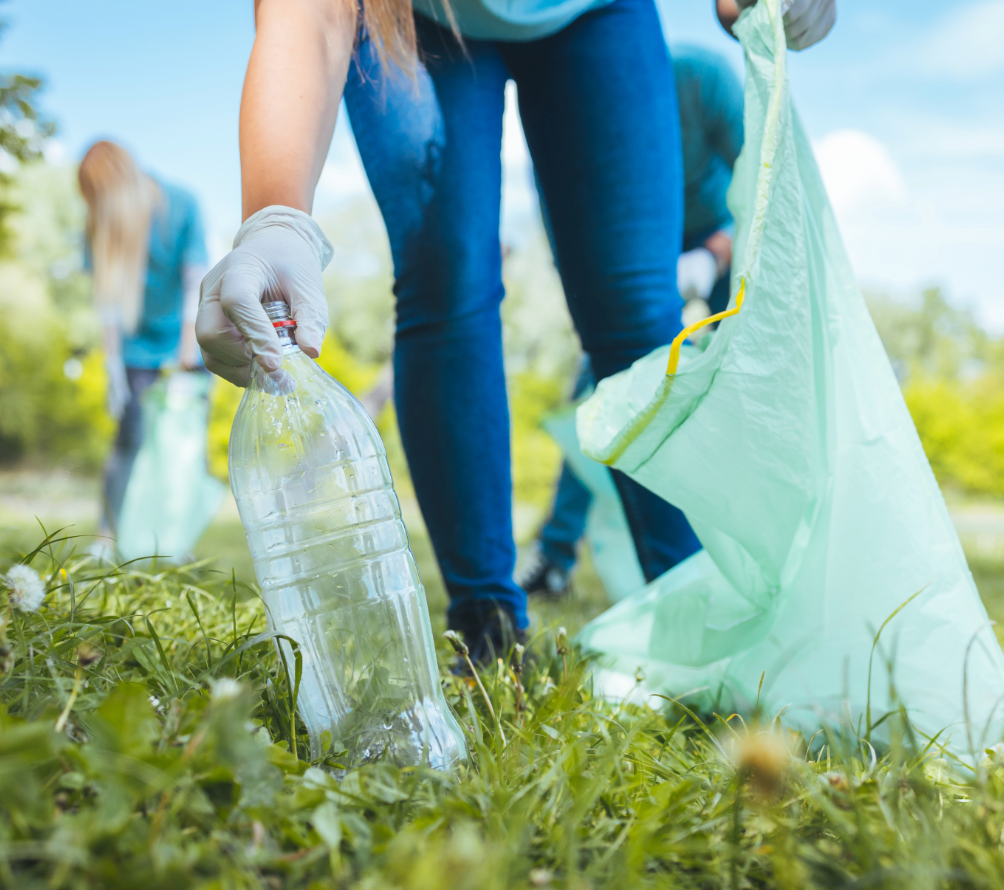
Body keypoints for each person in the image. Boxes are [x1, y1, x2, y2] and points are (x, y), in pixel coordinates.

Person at [196, 0, 835, 661]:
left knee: (636, 312)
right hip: (419, 19)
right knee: (446, 277)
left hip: (594, 13)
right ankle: (489, 625)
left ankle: (705, 613)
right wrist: (275, 218)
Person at [519, 43, 746, 597]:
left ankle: (751, 540)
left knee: (747, 371)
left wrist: (713, 254)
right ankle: (555, 553)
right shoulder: (565, 129)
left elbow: (768, 188)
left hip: (728, 242)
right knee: (603, 379)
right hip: (642, 249)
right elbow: (572, 249)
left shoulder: (701, 80)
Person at [77, 141, 209, 546]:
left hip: (184, 343)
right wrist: (113, 365)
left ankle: (173, 540)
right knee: (130, 438)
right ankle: (108, 535)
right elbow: (108, 305)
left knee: (182, 449)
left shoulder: (181, 204)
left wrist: (186, 354)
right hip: (136, 349)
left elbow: (195, 282)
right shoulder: (98, 224)